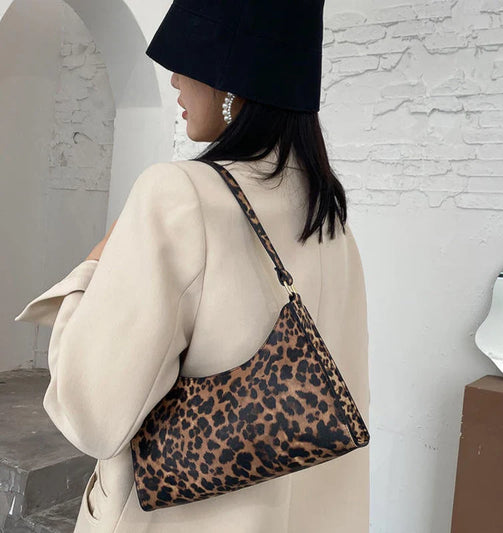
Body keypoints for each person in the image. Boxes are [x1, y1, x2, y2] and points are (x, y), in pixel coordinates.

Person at [14, 1, 370, 531]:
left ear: (235, 82)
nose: (175, 78)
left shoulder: (181, 195)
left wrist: (94, 264)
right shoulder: (329, 218)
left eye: (189, 60)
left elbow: (91, 416)